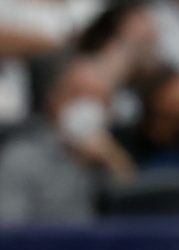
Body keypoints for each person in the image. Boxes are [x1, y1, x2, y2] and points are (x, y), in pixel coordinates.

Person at [0, 57, 134, 224]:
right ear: (53, 99)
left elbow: (135, 219)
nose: (86, 106)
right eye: (77, 95)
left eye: (98, 98)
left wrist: (113, 160)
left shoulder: (111, 157)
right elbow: (12, 231)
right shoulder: (21, 158)